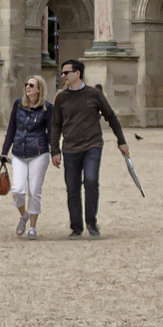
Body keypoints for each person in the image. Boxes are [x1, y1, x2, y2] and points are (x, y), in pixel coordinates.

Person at [48, 59, 129, 238]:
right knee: (72, 187)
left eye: (66, 73)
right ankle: (76, 227)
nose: (63, 76)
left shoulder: (94, 94)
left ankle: (91, 222)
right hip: (70, 147)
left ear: (77, 74)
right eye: (62, 73)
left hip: (92, 144)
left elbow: (111, 117)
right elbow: (55, 125)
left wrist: (121, 141)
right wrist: (54, 150)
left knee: (91, 181)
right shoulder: (61, 97)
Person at [1, 75, 52, 239]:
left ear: (39, 89)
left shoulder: (47, 108)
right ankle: (24, 215)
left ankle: (33, 228)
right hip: (18, 152)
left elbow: (51, 132)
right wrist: (4, 150)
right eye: (26, 84)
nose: (27, 87)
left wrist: (56, 152)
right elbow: (11, 129)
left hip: (39, 152)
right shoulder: (18, 104)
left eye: (31, 85)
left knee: (34, 191)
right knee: (17, 190)